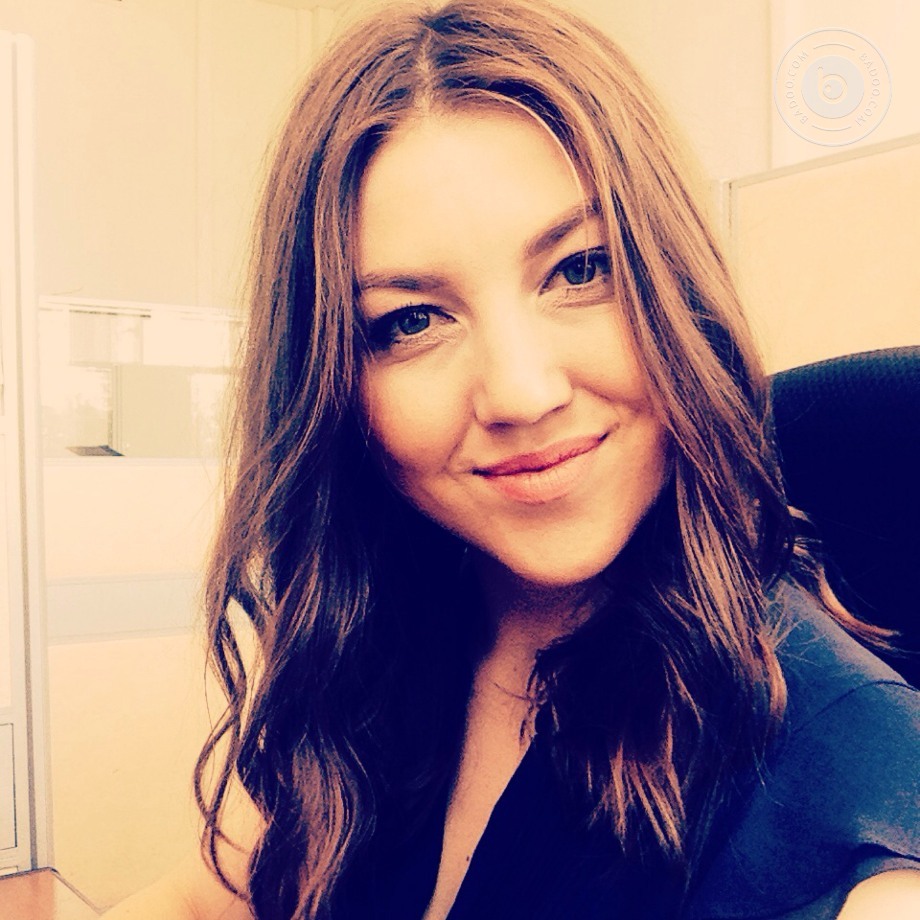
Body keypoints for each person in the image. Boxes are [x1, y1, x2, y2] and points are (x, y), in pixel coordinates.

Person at [103, 1, 920, 917]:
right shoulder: (395, 641)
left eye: (580, 269)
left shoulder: (844, 769)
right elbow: (199, 896)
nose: (522, 392)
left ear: (676, 287)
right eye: (412, 320)